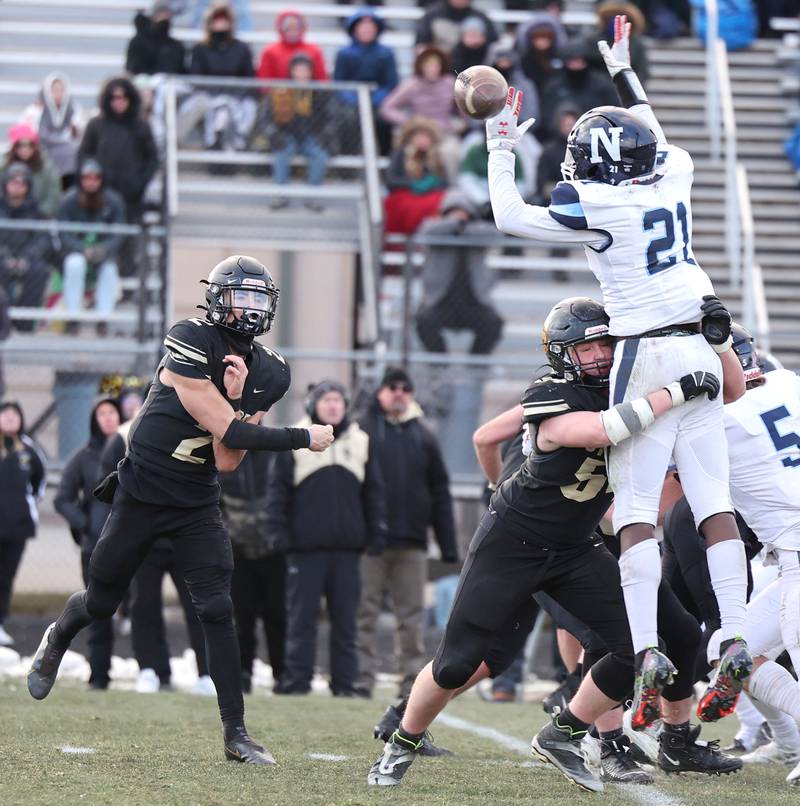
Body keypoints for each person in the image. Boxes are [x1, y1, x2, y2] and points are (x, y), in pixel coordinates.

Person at [484, 13, 751, 730]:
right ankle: (733, 633)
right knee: (714, 503)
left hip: (646, 347)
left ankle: (645, 648)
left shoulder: (594, 199)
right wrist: (624, 71)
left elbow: (508, 216)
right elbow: (653, 132)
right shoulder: (678, 171)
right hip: (704, 335)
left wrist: (498, 143)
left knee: (635, 514)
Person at [367, 298, 722, 791]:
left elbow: (723, 394)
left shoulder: (633, 390)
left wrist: (710, 343)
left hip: (576, 548)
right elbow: (601, 429)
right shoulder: (550, 394)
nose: (599, 355)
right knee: (457, 663)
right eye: (587, 347)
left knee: (637, 647)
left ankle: (564, 732)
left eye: (605, 343)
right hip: (513, 541)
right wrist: (676, 390)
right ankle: (402, 740)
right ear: (561, 354)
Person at [27, 255, 334, 766]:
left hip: (195, 497)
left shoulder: (271, 370)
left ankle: (236, 733)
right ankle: (57, 637)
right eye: (242, 297)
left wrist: (238, 398)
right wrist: (302, 436)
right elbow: (233, 431)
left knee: (217, 607)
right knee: (103, 598)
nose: (252, 310)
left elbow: (227, 458)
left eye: (260, 299)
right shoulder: (189, 339)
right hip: (143, 490)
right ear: (217, 299)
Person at [267, 380, 387, 696]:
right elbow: (278, 493)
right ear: (313, 405)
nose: (333, 406)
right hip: (304, 548)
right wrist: (278, 533)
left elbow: (373, 493)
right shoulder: (295, 437)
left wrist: (376, 532)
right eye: (327, 400)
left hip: (347, 549)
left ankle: (345, 684)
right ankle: (297, 681)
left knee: (346, 622)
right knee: (301, 620)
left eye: (338, 400)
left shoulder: (361, 440)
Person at [356, 366, 457, 699]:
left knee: (411, 617)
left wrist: (447, 545)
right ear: (381, 392)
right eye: (392, 387)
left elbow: (440, 490)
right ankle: (362, 677)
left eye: (405, 388)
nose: (399, 392)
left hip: (411, 541)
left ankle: (409, 682)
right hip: (368, 542)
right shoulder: (363, 429)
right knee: (364, 612)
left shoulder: (423, 435)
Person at [54, 398, 122, 689]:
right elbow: (62, 499)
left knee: (141, 609)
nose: (107, 418)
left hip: (133, 544)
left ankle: (154, 672)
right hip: (95, 546)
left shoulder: (136, 452)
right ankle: (99, 675)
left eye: (112, 413)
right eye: (101, 413)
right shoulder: (83, 457)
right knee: (97, 609)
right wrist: (86, 526)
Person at [220, 451, 286, 694]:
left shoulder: (275, 455)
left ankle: (282, 673)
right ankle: (243, 673)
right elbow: (216, 503)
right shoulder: (223, 455)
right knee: (241, 619)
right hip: (237, 553)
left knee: (277, 617)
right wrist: (227, 538)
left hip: (274, 551)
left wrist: (281, 537)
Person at [414, 189, 503, 355]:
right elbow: (426, 233)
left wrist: (463, 227)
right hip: (439, 299)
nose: (459, 216)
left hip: (474, 301)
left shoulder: (476, 230)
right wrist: (454, 223)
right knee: (423, 321)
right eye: (453, 211)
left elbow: (493, 235)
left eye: (463, 212)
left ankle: (474, 366)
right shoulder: (434, 226)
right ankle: (440, 365)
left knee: (493, 324)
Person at [179, 2, 257, 152]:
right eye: (217, 20)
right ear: (209, 23)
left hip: (236, 98)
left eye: (224, 20)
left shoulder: (241, 49)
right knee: (215, 107)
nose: (220, 24)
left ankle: (234, 143)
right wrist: (217, 96)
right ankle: (214, 144)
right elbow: (196, 79)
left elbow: (249, 80)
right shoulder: (200, 49)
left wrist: (231, 96)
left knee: (244, 106)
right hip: (208, 97)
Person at [78, 77, 158, 223]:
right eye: (115, 98)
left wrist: (139, 182)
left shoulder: (141, 127)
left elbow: (152, 159)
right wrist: (92, 180)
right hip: (100, 196)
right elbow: (84, 156)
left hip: (132, 197)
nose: (119, 102)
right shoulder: (96, 125)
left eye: (124, 97)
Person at [0, 401, 47, 647]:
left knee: (6, 577)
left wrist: (25, 505)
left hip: (17, 526)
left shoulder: (29, 451)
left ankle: (0, 622)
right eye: (4, 414)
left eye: (14, 415)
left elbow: (40, 483)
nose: (9, 419)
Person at [57, 159, 125, 326]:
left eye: (96, 178)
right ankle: (73, 317)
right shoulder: (69, 201)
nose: (91, 182)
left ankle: (103, 319)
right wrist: (82, 249)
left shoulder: (113, 201)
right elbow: (64, 234)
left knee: (109, 270)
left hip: (104, 253)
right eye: (87, 178)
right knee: (75, 264)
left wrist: (103, 249)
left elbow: (118, 234)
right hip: (76, 251)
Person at [267, 53, 330, 212]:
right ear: (291, 71)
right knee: (281, 153)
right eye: (298, 70)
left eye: (305, 70)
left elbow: (330, 118)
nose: (302, 74)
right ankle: (281, 195)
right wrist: (274, 132)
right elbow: (266, 117)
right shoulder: (280, 91)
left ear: (311, 72)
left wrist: (324, 134)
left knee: (320, 155)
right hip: (286, 137)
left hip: (311, 137)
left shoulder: (319, 92)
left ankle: (312, 196)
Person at [333, 7, 398, 156]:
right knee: (347, 120)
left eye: (370, 27)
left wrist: (375, 99)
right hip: (351, 102)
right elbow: (339, 83)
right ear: (354, 29)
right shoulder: (344, 54)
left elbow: (391, 83)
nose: (367, 30)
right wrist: (355, 99)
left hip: (378, 101)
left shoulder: (386, 53)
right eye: (363, 27)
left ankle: (384, 158)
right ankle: (347, 161)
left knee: (383, 120)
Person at [0, 163, 52, 329]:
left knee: (40, 271)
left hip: (27, 259)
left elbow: (42, 239)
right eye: (13, 182)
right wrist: (4, 256)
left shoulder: (36, 211)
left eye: (22, 183)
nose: (17, 186)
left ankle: (24, 321)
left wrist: (26, 257)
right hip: (2, 257)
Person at [538, 40, 616, 141]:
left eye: (580, 61)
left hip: (598, 138)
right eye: (572, 62)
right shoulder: (554, 86)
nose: (576, 66)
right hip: (562, 140)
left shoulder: (602, 84)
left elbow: (612, 112)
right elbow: (547, 117)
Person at [383, 117, 448, 236]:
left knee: (440, 202)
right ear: (411, 137)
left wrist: (433, 183)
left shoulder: (435, 158)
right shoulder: (401, 153)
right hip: (404, 196)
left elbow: (444, 183)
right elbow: (390, 180)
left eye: (427, 136)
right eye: (420, 135)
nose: (423, 140)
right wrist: (411, 184)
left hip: (428, 197)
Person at [20, 72, 84, 190]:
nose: (58, 94)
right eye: (55, 90)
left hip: (66, 150)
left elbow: (76, 134)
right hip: (43, 148)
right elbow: (34, 133)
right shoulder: (36, 110)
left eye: (61, 90)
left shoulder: (73, 108)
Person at [4, 124, 62, 218]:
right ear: (14, 147)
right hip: (9, 218)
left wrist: (39, 215)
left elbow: (54, 195)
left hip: (38, 220)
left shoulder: (47, 169)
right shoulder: (4, 168)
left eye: (29, 145)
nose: (25, 149)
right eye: (20, 145)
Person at [256, 9, 328, 81]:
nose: (292, 31)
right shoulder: (270, 52)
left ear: (302, 27)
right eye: (288, 27)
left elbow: (322, 82)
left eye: (295, 27)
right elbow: (264, 83)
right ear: (281, 28)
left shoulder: (314, 51)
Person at [126, 0, 187, 76]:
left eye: (168, 14)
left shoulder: (176, 46)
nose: (165, 17)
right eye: (162, 13)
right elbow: (133, 69)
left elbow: (178, 70)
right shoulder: (138, 42)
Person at [414, 0, 497, 56]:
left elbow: (494, 43)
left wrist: (478, 44)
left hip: (474, 70)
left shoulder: (480, 18)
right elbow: (420, 45)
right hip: (441, 73)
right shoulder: (432, 16)